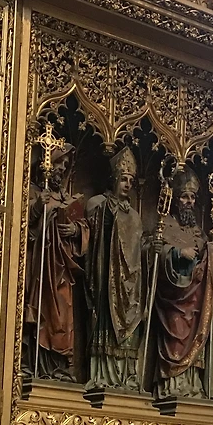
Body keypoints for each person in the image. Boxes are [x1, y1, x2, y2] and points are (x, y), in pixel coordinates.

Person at [23, 142, 89, 381]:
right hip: (40, 266)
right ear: (45, 164)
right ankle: (35, 363)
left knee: (62, 313)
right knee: (41, 312)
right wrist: (38, 207)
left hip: (62, 269)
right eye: (58, 162)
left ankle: (59, 365)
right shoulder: (33, 192)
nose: (61, 168)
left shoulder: (67, 198)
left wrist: (75, 230)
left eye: (65, 164)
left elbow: (83, 227)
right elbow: (20, 223)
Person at [150, 169, 213, 401]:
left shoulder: (199, 233)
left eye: (192, 197)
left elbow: (207, 264)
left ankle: (191, 384)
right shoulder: (165, 225)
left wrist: (210, 253)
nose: (189, 202)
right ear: (176, 199)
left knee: (195, 336)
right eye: (184, 197)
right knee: (175, 335)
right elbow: (152, 251)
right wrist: (177, 253)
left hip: (195, 298)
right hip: (173, 296)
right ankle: (170, 384)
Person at [86, 147, 150, 392]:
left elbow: (137, 249)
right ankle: (103, 375)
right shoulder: (98, 204)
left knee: (131, 324)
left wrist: (151, 247)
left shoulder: (134, 216)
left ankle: (127, 377)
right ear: (113, 179)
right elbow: (93, 237)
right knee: (106, 322)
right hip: (108, 278)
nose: (127, 185)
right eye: (123, 179)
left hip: (130, 285)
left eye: (131, 181)